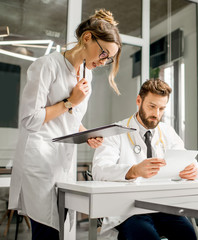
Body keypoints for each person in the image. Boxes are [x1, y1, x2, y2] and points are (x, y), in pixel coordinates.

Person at [8, 9, 122, 240]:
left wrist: (87, 133)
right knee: (46, 230)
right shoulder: (46, 65)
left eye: (108, 59)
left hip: (63, 161)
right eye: (103, 54)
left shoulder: (86, 75)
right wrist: (70, 101)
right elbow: (30, 119)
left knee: (62, 228)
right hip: (39, 161)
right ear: (88, 38)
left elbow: (71, 120)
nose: (104, 62)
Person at [92, 79, 198, 240]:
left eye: (162, 108)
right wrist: (133, 170)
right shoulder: (116, 131)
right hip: (128, 210)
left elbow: (187, 159)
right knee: (146, 236)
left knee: (189, 235)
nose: (156, 114)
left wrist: (193, 170)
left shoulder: (167, 131)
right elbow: (99, 169)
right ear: (138, 101)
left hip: (163, 207)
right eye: (152, 106)